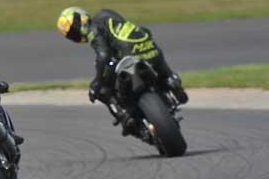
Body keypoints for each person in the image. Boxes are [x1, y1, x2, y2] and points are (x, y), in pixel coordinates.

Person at [56, 7, 188, 135]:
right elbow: (125, 30)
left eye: (74, 29)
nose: (76, 34)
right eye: (71, 34)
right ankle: (173, 82)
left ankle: (124, 116)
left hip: (128, 54)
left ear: (82, 19)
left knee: (101, 89)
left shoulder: (92, 30)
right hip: (147, 44)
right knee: (156, 60)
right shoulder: (107, 14)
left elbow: (104, 56)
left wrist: (96, 83)